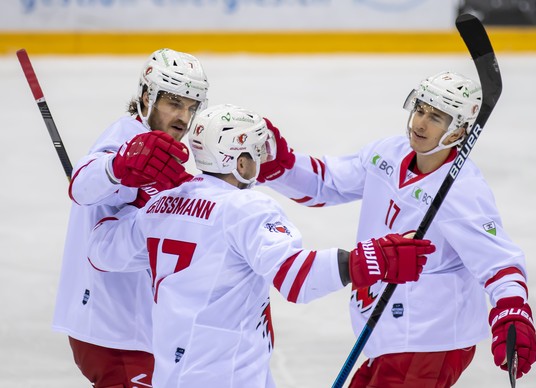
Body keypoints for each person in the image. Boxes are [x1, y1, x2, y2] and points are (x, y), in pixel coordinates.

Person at [85, 104, 436, 387]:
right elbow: (296, 279)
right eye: (255, 153)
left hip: (171, 374)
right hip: (226, 373)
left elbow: (101, 250)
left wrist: (131, 194)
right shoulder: (246, 208)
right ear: (239, 163)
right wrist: (368, 260)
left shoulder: (162, 203)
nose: (261, 160)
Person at [257, 71, 536, 387]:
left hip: (430, 342)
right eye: (420, 109)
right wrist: (278, 163)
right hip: (391, 336)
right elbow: (327, 183)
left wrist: (512, 311)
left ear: (459, 129)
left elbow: (499, 263)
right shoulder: (388, 153)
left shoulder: (463, 191)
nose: (420, 123)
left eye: (436, 118)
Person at [52, 48, 209, 388]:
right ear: (145, 97)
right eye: (173, 102)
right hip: (116, 334)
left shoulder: (168, 152)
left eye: (191, 106)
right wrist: (118, 167)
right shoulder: (125, 138)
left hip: (136, 333)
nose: (183, 116)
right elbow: (82, 185)